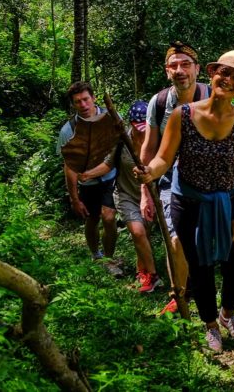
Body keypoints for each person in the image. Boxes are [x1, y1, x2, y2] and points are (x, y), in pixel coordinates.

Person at [136, 50, 234, 353]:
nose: (228, 80)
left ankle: (227, 315)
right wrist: (149, 172)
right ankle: (210, 326)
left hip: (227, 204)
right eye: (224, 73)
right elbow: (164, 158)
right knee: (200, 267)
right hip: (187, 203)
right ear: (212, 74)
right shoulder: (184, 114)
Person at [140, 42, 211, 315]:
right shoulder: (158, 104)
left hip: (209, 181)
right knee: (175, 239)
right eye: (174, 65)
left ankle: (203, 290)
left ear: (197, 69)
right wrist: (146, 192)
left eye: (185, 64)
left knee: (204, 238)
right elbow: (148, 148)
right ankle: (178, 296)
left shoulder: (213, 95)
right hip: (169, 179)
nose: (179, 70)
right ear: (166, 71)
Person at [77, 100, 162, 293]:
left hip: (151, 196)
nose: (141, 131)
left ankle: (143, 272)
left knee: (144, 235)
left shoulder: (156, 139)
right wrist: (88, 174)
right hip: (126, 194)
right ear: (131, 123)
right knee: (138, 232)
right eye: (137, 126)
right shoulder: (122, 141)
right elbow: (108, 165)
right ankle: (154, 276)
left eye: (144, 127)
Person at [57, 81, 118, 260]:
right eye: (78, 102)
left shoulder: (111, 117)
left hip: (110, 178)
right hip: (87, 183)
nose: (83, 105)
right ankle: (95, 254)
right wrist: (74, 198)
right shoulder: (69, 130)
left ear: (93, 98)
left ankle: (109, 258)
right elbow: (69, 166)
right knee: (92, 219)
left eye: (85, 99)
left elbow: (123, 147)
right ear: (73, 104)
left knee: (108, 217)